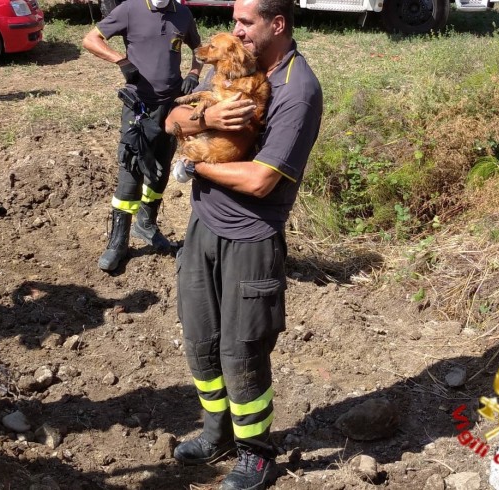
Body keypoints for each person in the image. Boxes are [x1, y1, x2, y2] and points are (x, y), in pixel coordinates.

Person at [165, 0, 323, 486]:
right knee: (200, 340)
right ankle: (218, 432)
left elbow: (259, 181)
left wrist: (194, 166)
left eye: (245, 21)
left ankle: (256, 452)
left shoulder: (297, 90)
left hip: (251, 238)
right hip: (204, 225)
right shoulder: (232, 64)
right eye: (234, 20)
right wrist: (205, 122)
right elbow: (173, 119)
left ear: (277, 24)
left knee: (242, 351)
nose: (235, 29)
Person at [82, 0, 203, 272]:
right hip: (139, 106)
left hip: (172, 106)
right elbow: (91, 40)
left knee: (159, 170)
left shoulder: (182, 13)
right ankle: (118, 242)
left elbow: (199, 49)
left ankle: (146, 226)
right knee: (132, 169)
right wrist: (121, 60)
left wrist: (194, 73)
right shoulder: (130, 9)